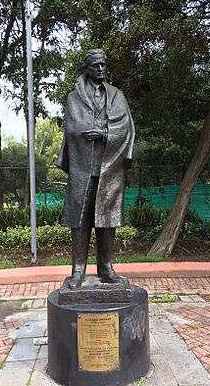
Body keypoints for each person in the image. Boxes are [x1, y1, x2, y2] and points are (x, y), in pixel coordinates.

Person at [57, 49, 135, 289]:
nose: (101, 69)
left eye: (103, 65)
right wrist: (85, 133)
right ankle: (78, 270)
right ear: (86, 68)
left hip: (109, 168)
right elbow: (72, 128)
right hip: (82, 168)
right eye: (95, 66)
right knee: (80, 220)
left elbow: (126, 127)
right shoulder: (73, 97)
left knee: (107, 219)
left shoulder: (116, 95)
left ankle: (106, 268)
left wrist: (104, 134)